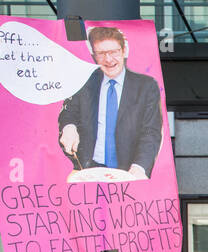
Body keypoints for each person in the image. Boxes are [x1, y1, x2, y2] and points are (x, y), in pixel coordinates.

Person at [57, 26, 163, 178]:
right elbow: (69, 112)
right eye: (101, 53)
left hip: (129, 171)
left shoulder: (146, 86)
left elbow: (151, 132)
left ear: (123, 50)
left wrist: (139, 167)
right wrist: (69, 126)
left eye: (113, 52)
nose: (108, 59)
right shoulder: (84, 82)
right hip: (89, 170)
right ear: (94, 55)